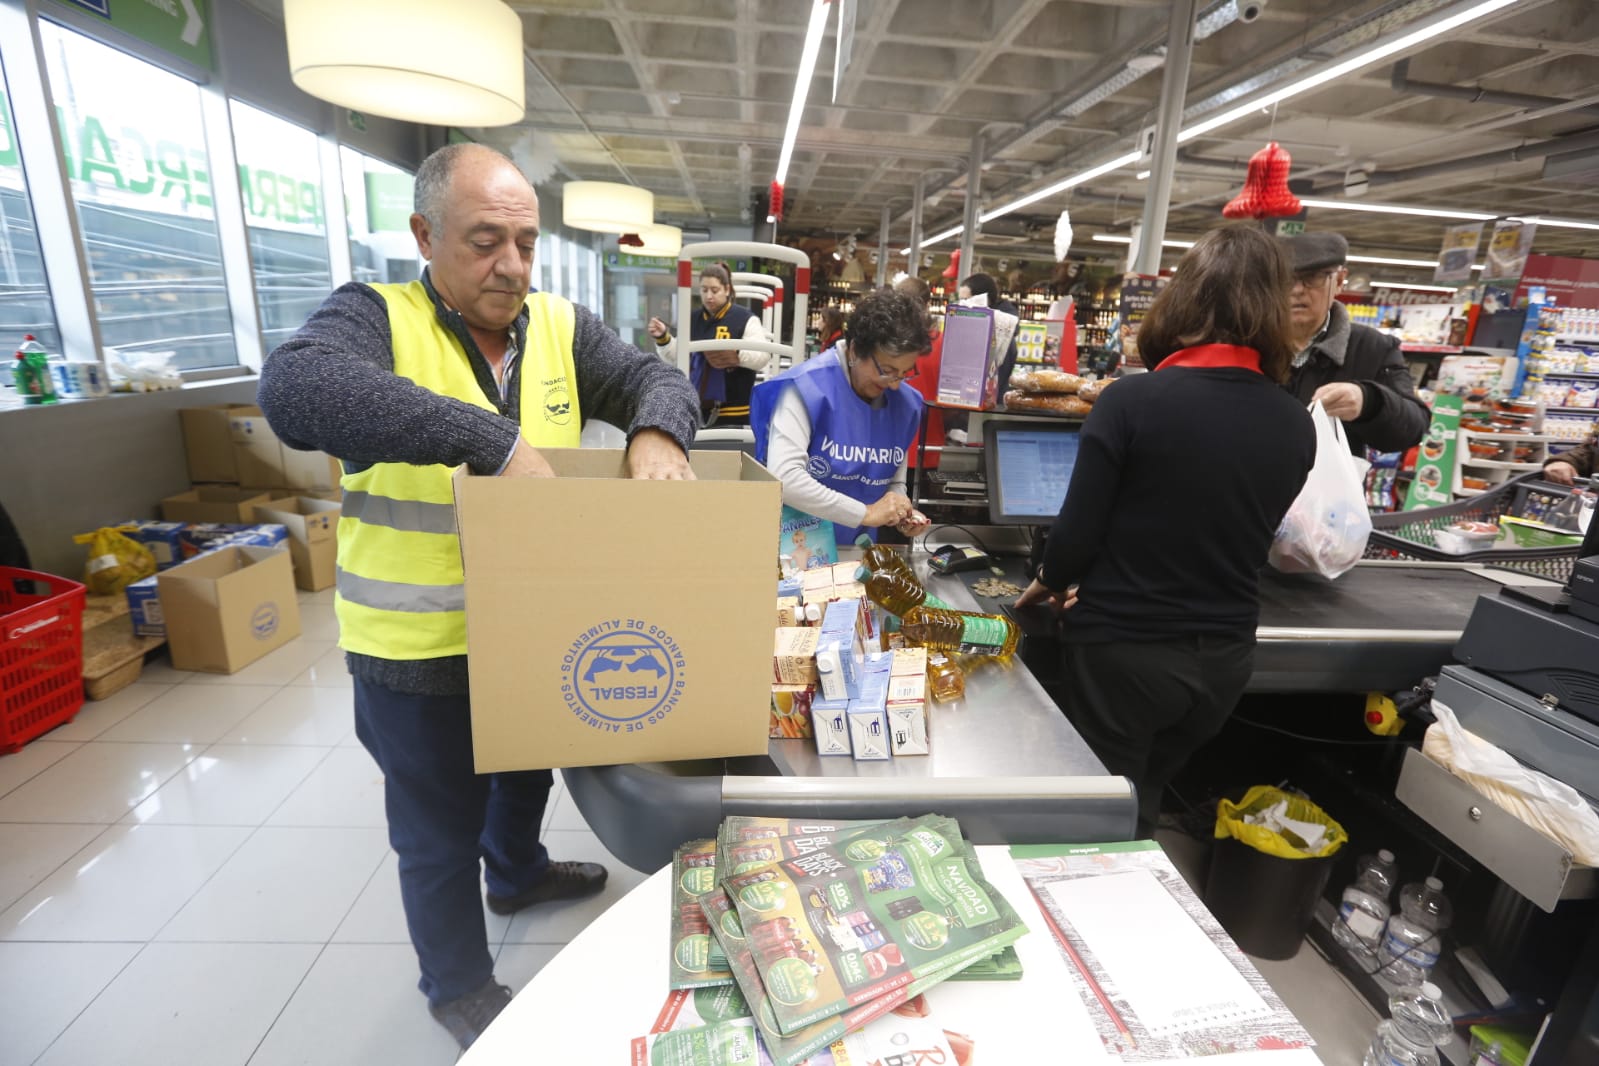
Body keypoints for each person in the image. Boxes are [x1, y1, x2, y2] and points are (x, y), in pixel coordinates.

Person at [257, 143, 700, 1050]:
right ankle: (455, 979)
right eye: (483, 241)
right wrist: (485, 439)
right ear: (424, 235)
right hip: (416, 643)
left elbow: (653, 376)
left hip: (531, 625)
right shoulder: (375, 317)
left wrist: (658, 429)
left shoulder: (560, 325)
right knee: (435, 823)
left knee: (523, 767)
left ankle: (519, 870)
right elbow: (295, 389)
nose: (511, 266)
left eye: (526, 243)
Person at [1014, 223, 1316, 836]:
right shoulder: (1294, 422)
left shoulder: (1132, 402)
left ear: (1184, 302)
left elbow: (1076, 538)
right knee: (1145, 792)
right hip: (1224, 664)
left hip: (1127, 654)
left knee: (1099, 808)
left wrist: (1050, 581)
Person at [750, 287, 934, 545]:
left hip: (857, 551)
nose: (894, 384)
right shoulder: (806, 389)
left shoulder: (905, 404)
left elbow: (893, 480)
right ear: (856, 351)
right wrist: (867, 513)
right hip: (796, 546)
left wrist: (900, 510)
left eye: (905, 373)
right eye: (887, 370)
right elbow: (786, 478)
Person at [1280, 232, 1429, 455]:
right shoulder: (1245, 341)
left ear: (1339, 281)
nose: (1297, 289)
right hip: (1251, 486)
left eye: (1313, 277)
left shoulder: (1373, 347)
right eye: (1284, 279)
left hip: (1330, 487)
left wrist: (1369, 402)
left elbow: (1414, 428)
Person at [646, 262, 770, 426]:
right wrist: (663, 337)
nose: (709, 296)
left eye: (715, 290)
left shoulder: (745, 319)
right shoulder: (692, 319)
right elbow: (678, 357)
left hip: (736, 411)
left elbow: (762, 356)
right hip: (695, 410)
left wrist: (737, 355)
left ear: (726, 289)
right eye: (704, 290)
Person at [895, 275, 945, 469]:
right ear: (928, 304)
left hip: (887, 449)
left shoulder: (887, 343)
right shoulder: (943, 344)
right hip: (929, 446)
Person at [958, 272, 1021, 399]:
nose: (961, 305)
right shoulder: (977, 330)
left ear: (983, 300)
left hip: (988, 410)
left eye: (966, 300)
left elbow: (996, 381)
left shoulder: (1001, 337)